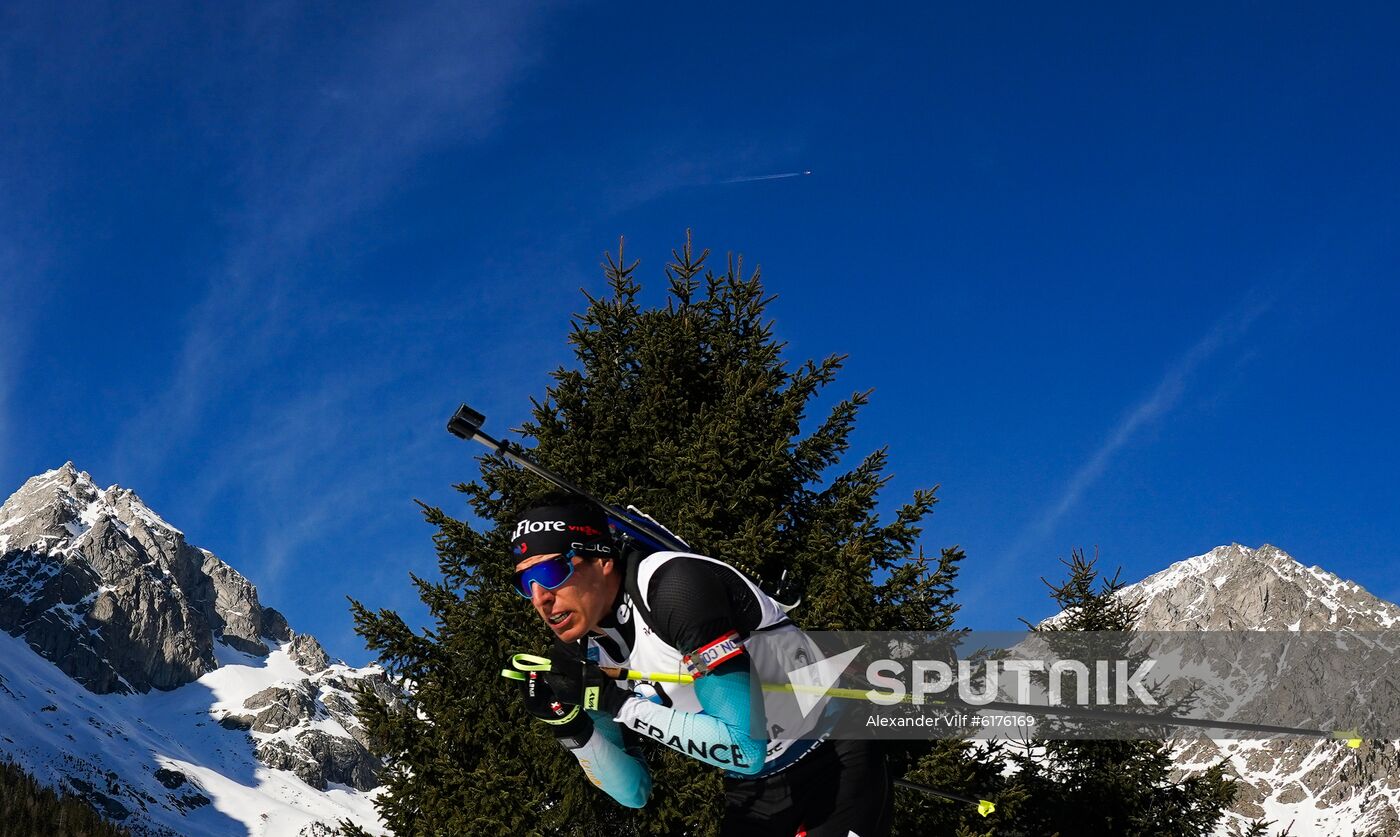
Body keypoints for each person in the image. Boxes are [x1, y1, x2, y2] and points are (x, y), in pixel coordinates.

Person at [509, 493, 892, 836]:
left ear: (601, 559)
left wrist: (618, 703)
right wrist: (570, 727)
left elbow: (743, 747)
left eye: (551, 572)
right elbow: (634, 792)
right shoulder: (582, 654)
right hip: (755, 785)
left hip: (832, 746)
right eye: (525, 583)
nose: (539, 598)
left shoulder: (672, 588)